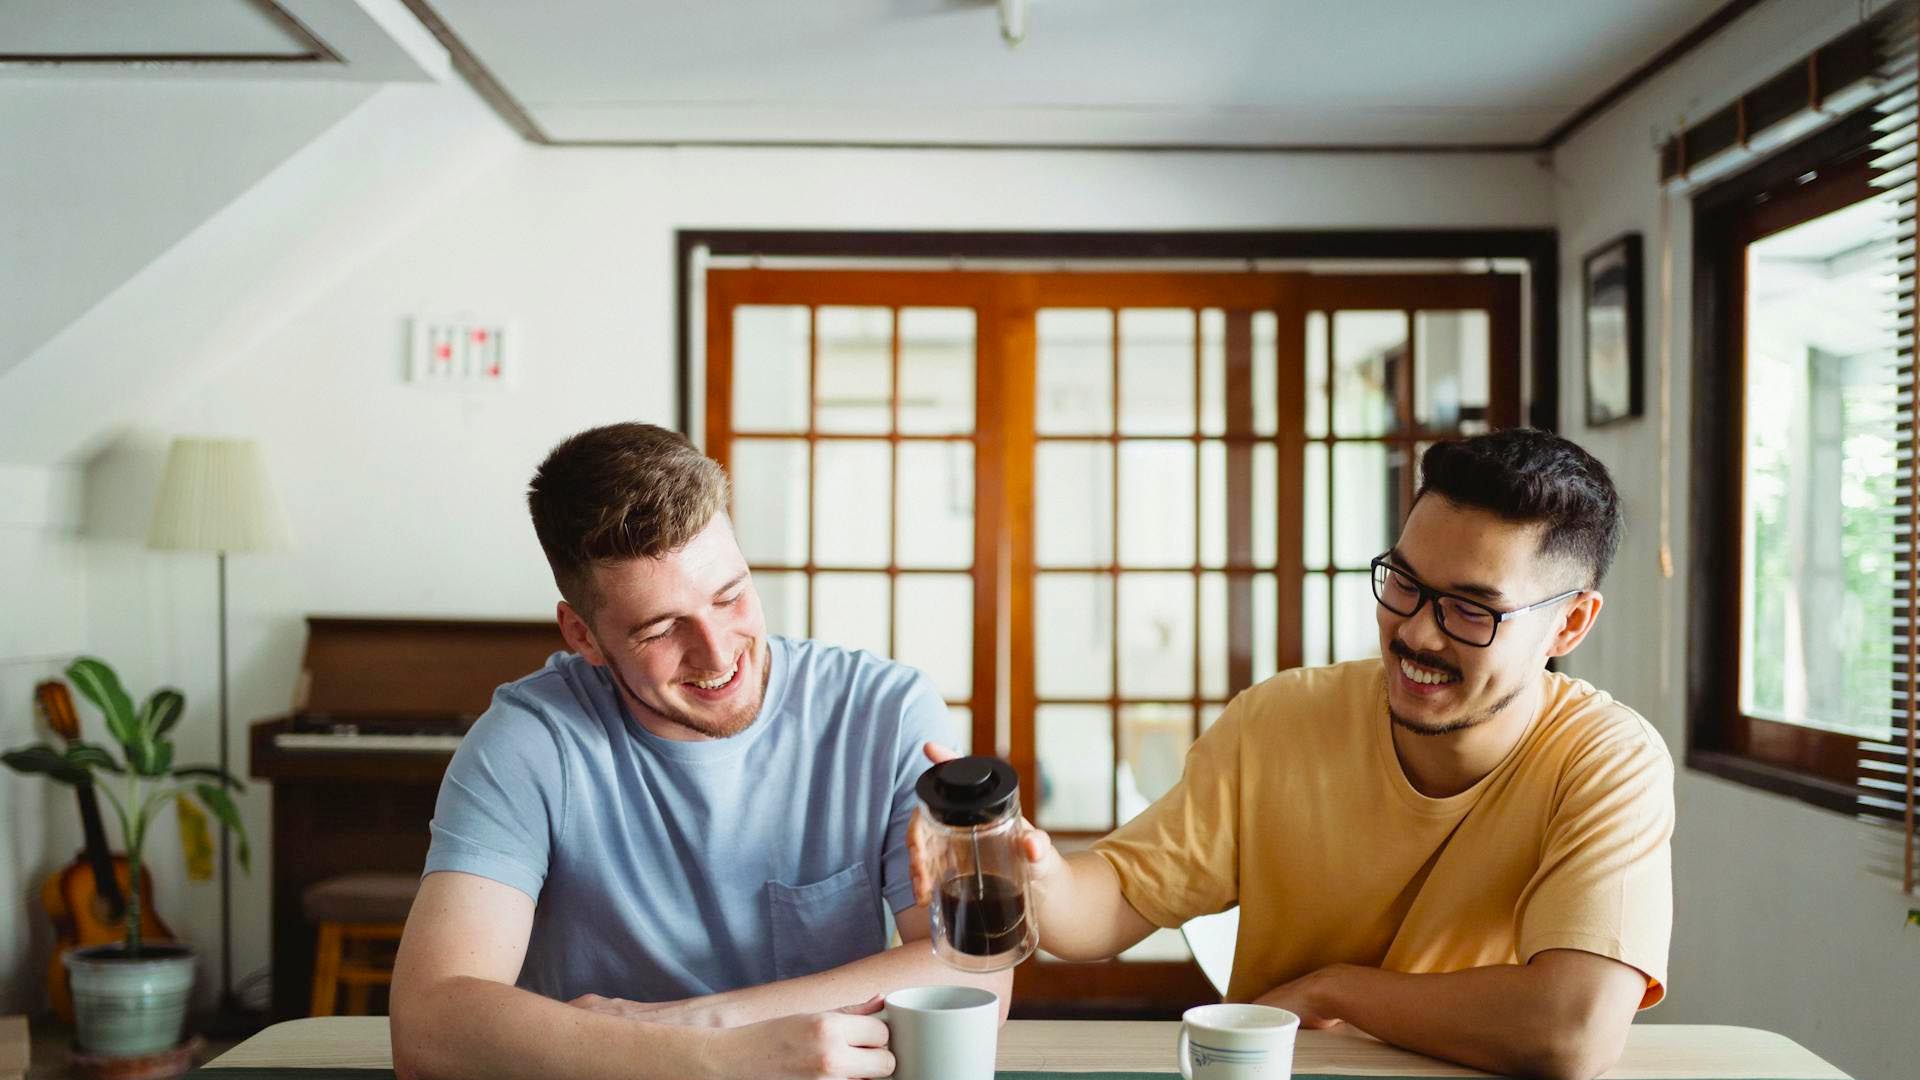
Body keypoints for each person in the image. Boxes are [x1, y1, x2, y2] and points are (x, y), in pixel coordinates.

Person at [913, 428, 1672, 1080]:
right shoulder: (1282, 719)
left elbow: (1574, 1030)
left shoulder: (1607, 762)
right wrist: (1032, 873)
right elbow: (1109, 909)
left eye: (1471, 609)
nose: (1416, 633)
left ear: (1570, 625)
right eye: (1403, 583)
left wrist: (1335, 991)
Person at [392, 422, 1006, 1080]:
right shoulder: (527, 741)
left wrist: (708, 1021)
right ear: (584, 636)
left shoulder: (885, 710)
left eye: (730, 595)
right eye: (661, 629)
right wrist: (712, 1059)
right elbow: (431, 1026)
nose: (718, 655)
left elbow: (973, 970)